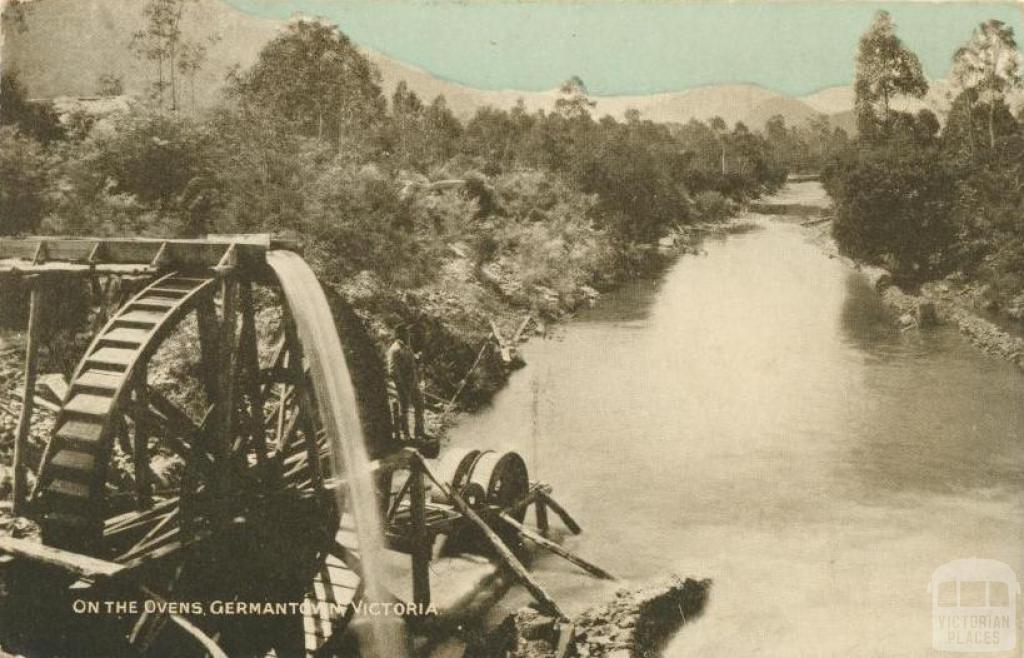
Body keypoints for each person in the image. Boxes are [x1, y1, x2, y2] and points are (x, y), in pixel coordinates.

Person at [386, 324, 425, 440]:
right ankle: (406, 435)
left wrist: (417, 359)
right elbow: (392, 370)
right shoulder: (394, 349)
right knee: (404, 410)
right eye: (406, 333)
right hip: (403, 385)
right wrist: (401, 385)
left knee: (419, 405)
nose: (408, 335)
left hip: (413, 383)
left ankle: (419, 432)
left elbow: (411, 362)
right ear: (400, 334)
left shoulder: (406, 347)